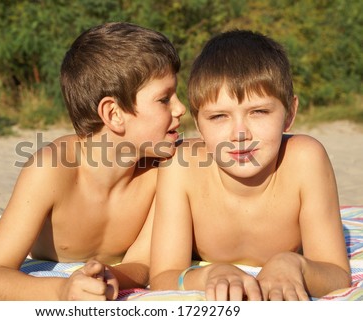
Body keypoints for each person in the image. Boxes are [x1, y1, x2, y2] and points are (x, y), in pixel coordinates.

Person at [0, 22, 186, 301]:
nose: (181, 108)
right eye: (164, 99)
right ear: (113, 114)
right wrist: (62, 289)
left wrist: (110, 277)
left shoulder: (161, 171)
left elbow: (144, 264)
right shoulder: (50, 171)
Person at [149, 29, 350, 301]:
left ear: (289, 114)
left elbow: (336, 273)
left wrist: (293, 264)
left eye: (259, 112)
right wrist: (210, 274)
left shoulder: (305, 159)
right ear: (198, 125)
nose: (240, 134)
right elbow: (163, 276)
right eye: (219, 116)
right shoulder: (181, 167)